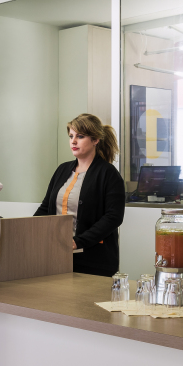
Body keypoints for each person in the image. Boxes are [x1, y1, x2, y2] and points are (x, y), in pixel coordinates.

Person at [35, 113, 126, 277]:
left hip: (93, 260)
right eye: (71, 136)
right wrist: (28, 230)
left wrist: (78, 242)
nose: (73, 141)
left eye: (80, 136)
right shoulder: (62, 169)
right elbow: (45, 207)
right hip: (56, 254)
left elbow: (113, 217)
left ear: (95, 139)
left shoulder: (108, 173)